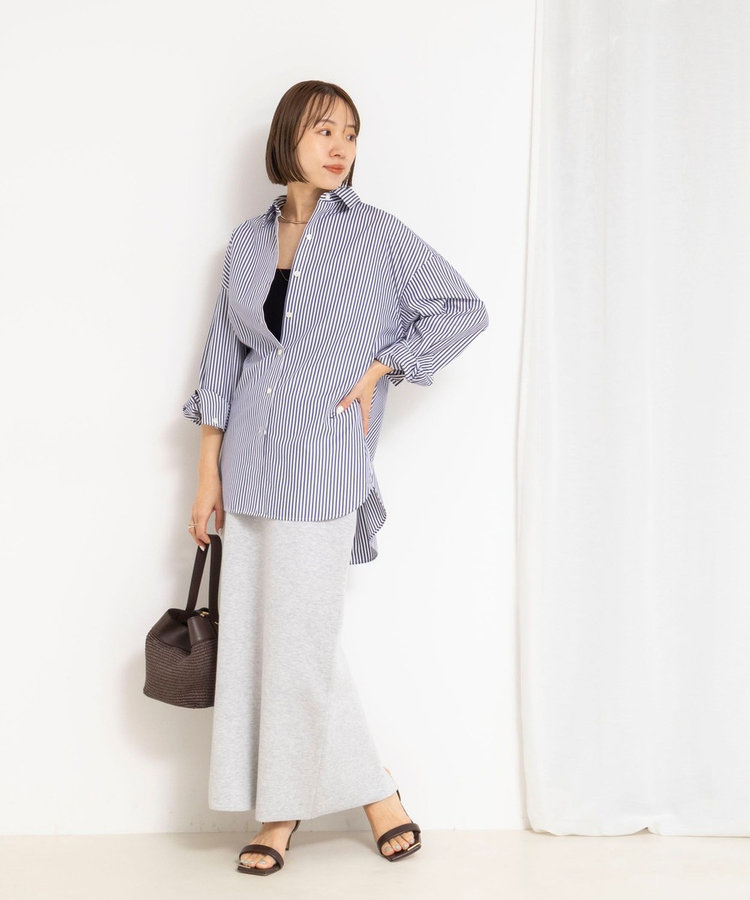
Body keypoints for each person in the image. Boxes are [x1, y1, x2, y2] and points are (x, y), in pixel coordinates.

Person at [182, 80, 490, 876]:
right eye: (324, 130)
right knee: (263, 642)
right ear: (288, 136)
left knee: (302, 641)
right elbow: (223, 361)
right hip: (249, 463)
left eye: (350, 133)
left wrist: (388, 364)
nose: (340, 146)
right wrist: (207, 475)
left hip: (321, 462)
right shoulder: (246, 244)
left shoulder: (376, 236)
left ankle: (289, 814)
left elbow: (461, 308)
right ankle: (353, 795)